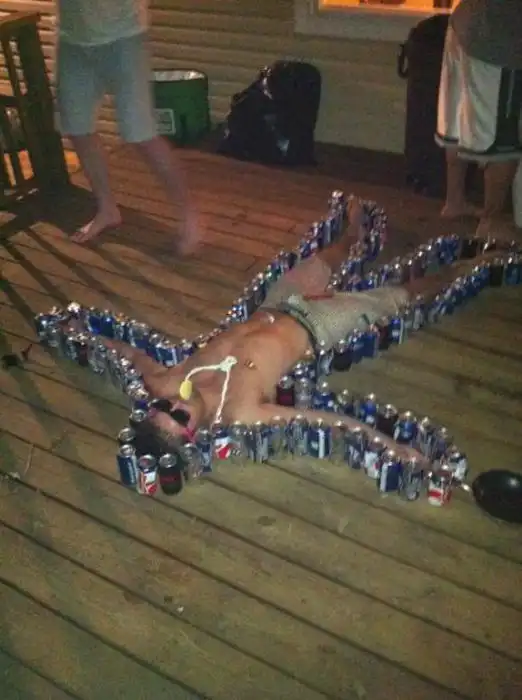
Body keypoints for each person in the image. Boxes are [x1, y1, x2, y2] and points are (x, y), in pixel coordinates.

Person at [108, 200, 495, 466]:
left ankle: (352, 231)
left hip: (273, 306)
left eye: (163, 409)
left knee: (328, 256)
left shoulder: (168, 382)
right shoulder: (242, 412)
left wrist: (90, 332)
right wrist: (393, 447)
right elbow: (327, 422)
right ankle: (468, 266)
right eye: (179, 417)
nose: (175, 405)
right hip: (317, 323)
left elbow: (127, 353)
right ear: (195, 436)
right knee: (401, 297)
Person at [55, 0, 201, 251]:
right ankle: (107, 209)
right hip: (72, 39)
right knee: (78, 129)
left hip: (124, 37)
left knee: (140, 133)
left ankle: (189, 216)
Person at [435, 0, 522, 240]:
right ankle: (490, 223)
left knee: (456, 119)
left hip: (464, 22)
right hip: (501, 40)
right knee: (504, 140)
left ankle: (454, 201)